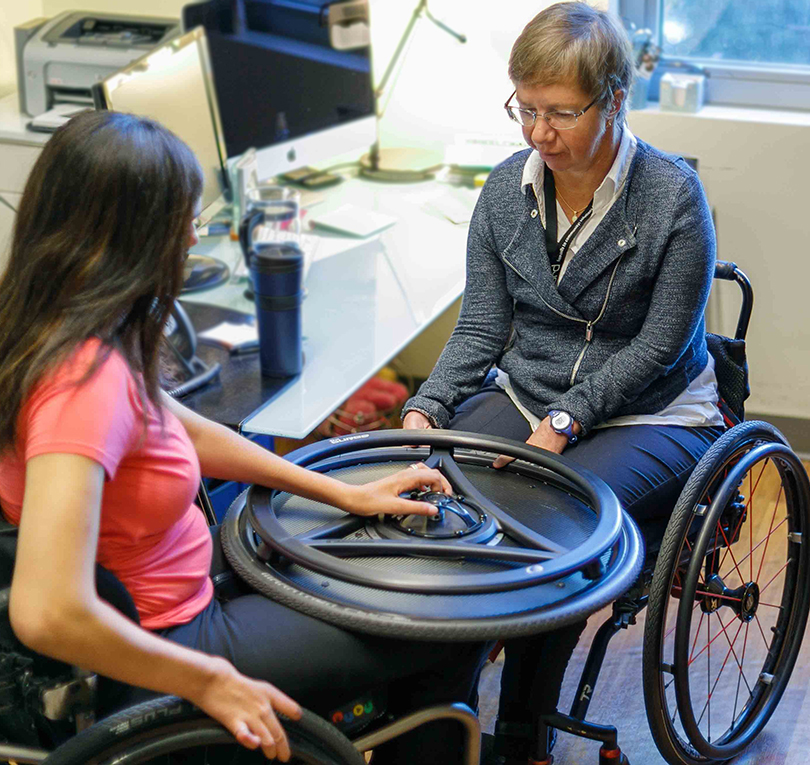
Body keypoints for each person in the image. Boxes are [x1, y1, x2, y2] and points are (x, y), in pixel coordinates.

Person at [0, 110, 490, 765]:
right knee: (450, 623)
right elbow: (46, 611)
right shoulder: (81, 387)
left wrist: (344, 494)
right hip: (170, 639)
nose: (194, 242)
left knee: (378, 562)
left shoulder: (52, 319)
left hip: (188, 583)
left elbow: (175, 424)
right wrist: (209, 680)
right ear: (136, 240)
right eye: (188, 225)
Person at [402, 3, 725, 762]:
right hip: (527, 393)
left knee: (550, 532)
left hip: (653, 412)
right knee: (435, 500)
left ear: (615, 99)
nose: (539, 134)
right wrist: (426, 406)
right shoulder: (504, 190)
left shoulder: (673, 199)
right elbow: (482, 326)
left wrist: (570, 418)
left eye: (561, 113)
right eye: (526, 109)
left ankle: (519, 731)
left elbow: (661, 345)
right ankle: (434, 715)